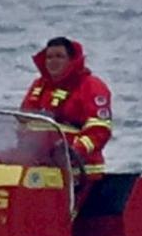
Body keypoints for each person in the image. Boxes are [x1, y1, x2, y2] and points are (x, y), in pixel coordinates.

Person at [20, 36, 112, 184]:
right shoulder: (39, 86)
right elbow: (23, 121)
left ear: (71, 59)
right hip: (40, 169)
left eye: (59, 56)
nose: (53, 61)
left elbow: (99, 129)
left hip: (80, 172)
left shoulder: (91, 86)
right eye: (49, 57)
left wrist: (74, 151)